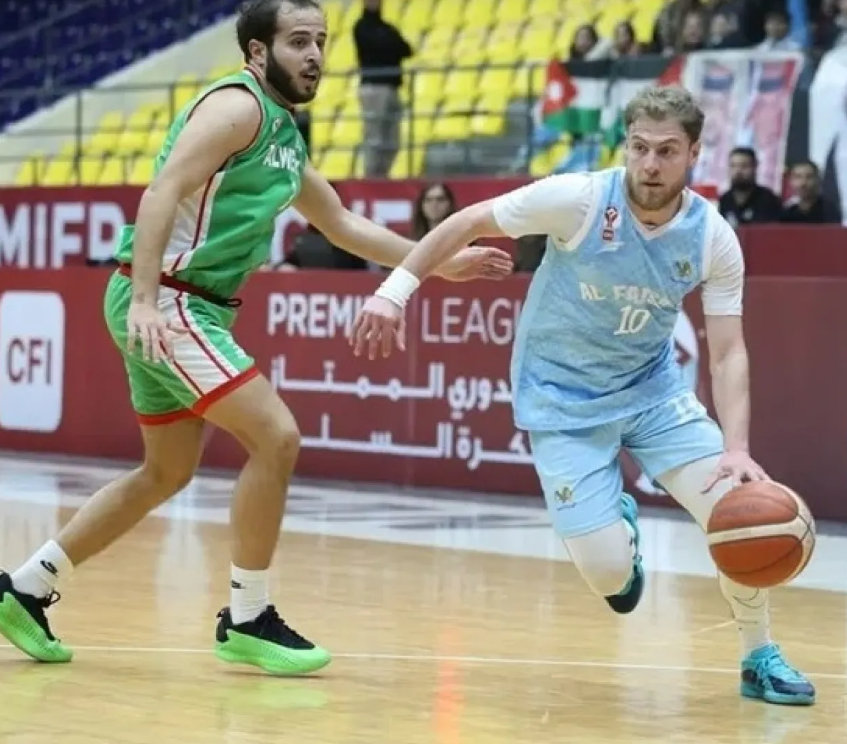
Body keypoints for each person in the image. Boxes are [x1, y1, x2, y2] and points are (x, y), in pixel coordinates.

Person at [0, 0, 512, 677]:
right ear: (257, 52)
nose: (315, 54)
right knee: (277, 437)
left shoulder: (282, 132)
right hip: (170, 300)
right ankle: (247, 616)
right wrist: (147, 302)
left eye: (321, 41)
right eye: (298, 41)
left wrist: (436, 264)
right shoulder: (237, 108)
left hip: (188, 304)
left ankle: (24, 589)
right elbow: (161, 192)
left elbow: (341, 224)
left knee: (166, 472)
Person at [350, 85, 815, 706]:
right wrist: (394, 292)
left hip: (653, 393)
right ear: (625, 146)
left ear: (694, 154)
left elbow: (729, 351)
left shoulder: (712, 235)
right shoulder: (579, 199)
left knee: (737, 508)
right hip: (561, 397)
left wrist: (737, 448)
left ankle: (758, 654)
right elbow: (468, 220)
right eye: (639, 148)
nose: (650, 164)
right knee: (611, 579)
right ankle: (616, 525)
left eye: (666, 151)